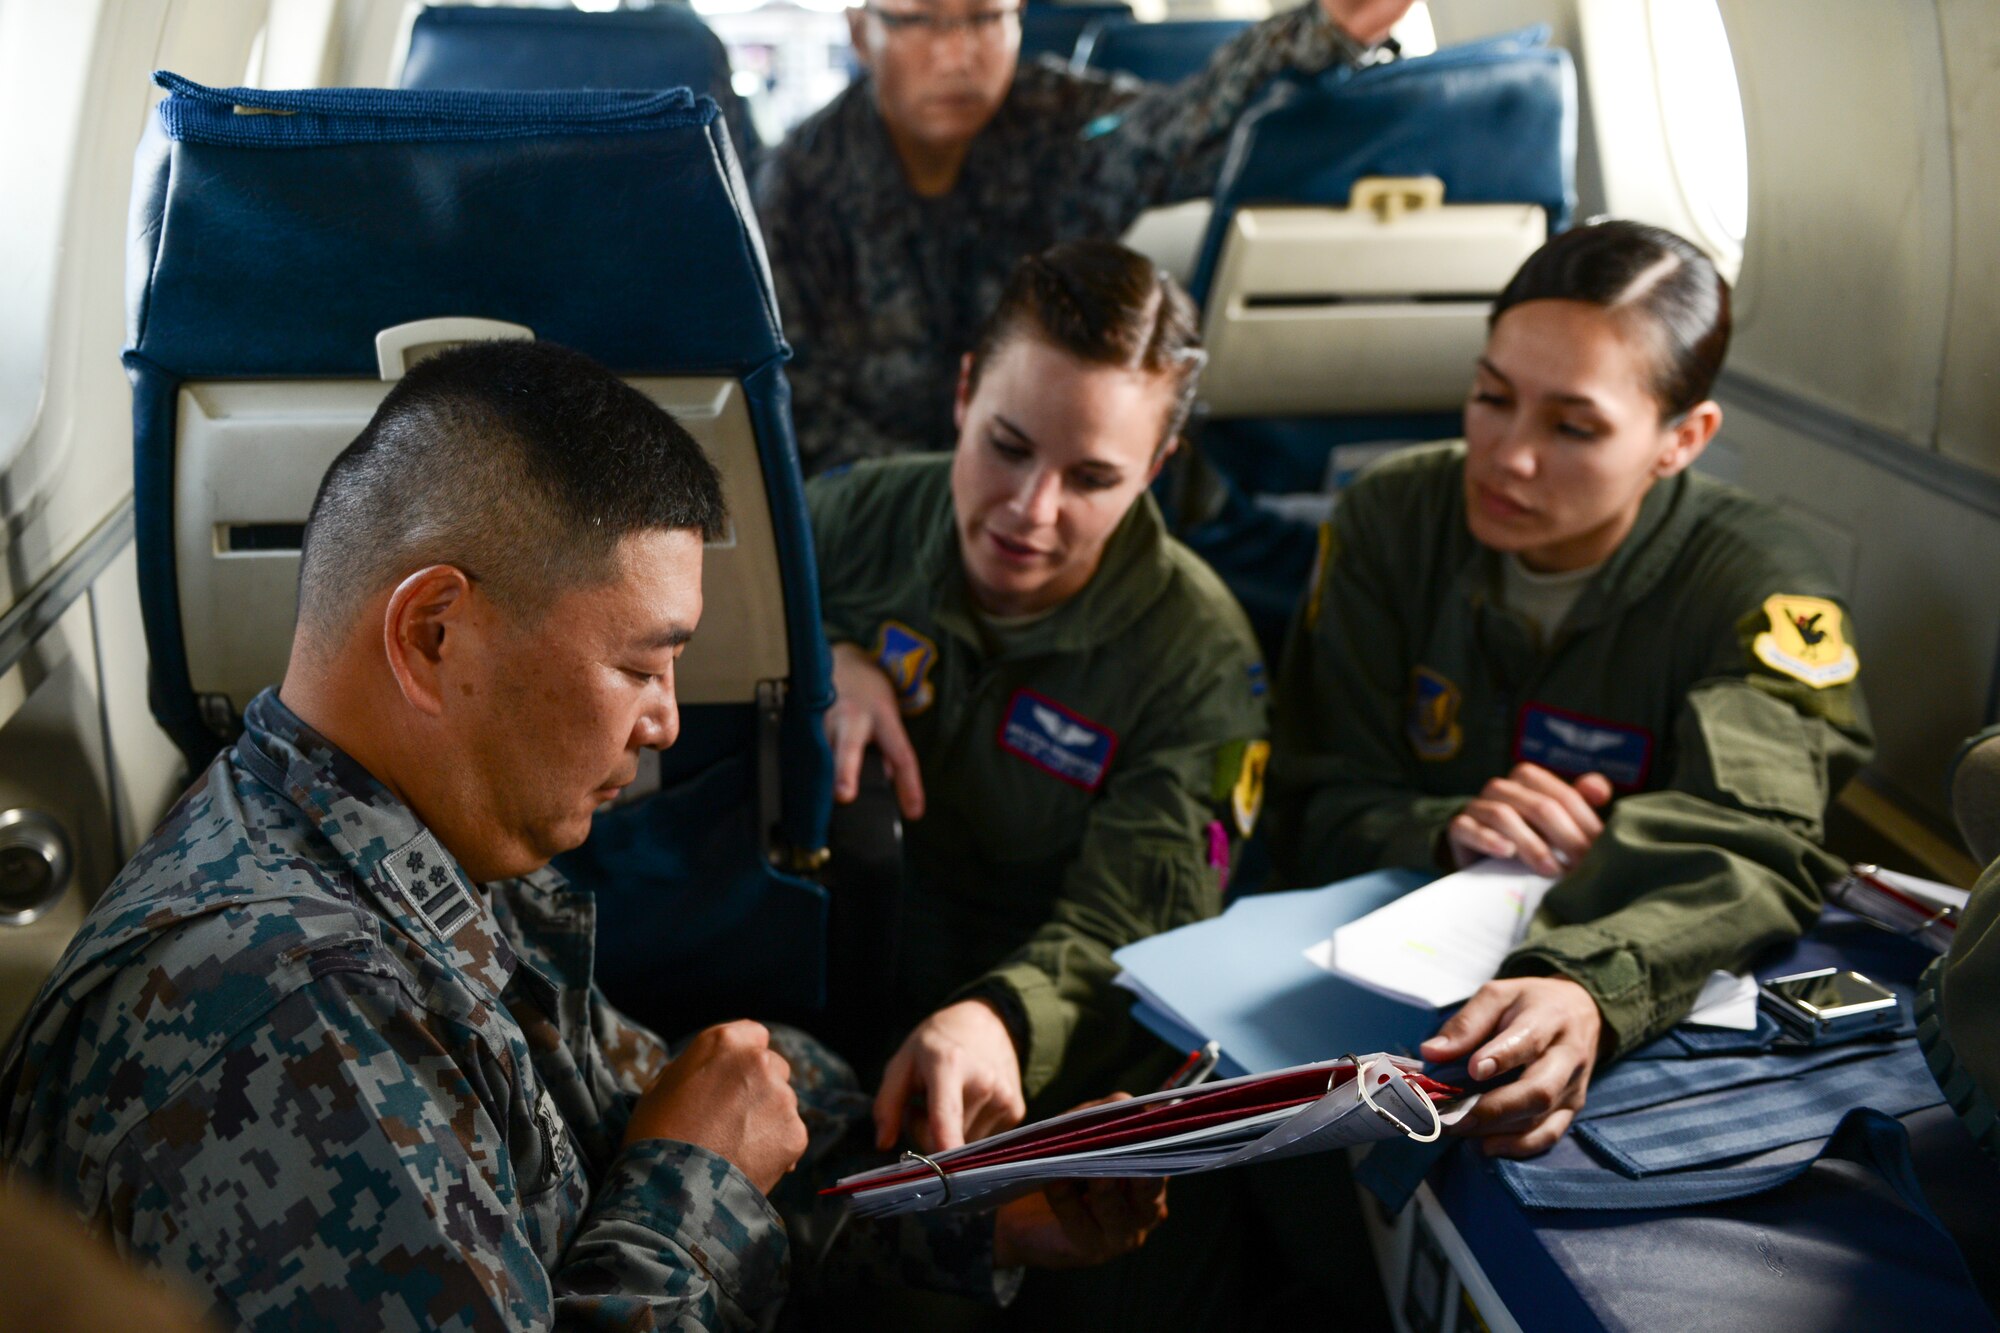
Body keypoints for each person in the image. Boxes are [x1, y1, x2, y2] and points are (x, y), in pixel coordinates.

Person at [0, 341, 1160, 1330]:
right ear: (436, 634)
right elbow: (680, 1175)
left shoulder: (435, 859)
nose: (662, 719)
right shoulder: (278, 1020)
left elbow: (657, 1156)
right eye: (638, 663)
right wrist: (692, 1180)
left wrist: (984, 1205)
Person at [1266, 220, 1875, 1157]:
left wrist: (1592, 984)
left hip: (1609, 981)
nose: (1508, 455)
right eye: (1491, 398)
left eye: (1573, 426)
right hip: (1367, 976)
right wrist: (1438, 825)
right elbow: (1311, 793)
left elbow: (1756, 845)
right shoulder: (1393, 520)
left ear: (1683, 439)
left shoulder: (1753, 584)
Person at [806, 241, 1268, 1156]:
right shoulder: (847, 522)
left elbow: (1133, 927)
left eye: (1093, 479)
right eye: (1007, 446)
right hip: (799, 993)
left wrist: (1003, 1016)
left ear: (1158, 465)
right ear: (965, 390)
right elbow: (669, 661)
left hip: (1022, 1084)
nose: (1031, 507)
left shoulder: (1197, 661)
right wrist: (819, 659)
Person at [757, 0, 1415, 473]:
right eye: (922, 18)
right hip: (882, 497)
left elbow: (1176, 129)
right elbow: (801, 406)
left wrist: (1319, 30)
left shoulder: (1057, 118)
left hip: (1058, 474)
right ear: (861, 33)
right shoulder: (804, 177)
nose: (957, 53)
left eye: (987, 18)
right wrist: (949, 490)